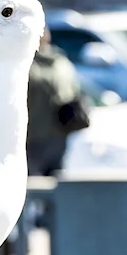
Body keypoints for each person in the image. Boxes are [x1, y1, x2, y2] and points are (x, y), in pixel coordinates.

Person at [26, 28, 89, 176]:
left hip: (49, 136)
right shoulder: (60, 61)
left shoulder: (57, 62)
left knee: (43, 185)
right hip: (41, 135)